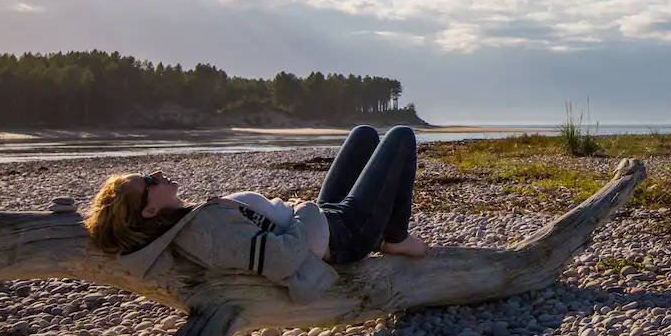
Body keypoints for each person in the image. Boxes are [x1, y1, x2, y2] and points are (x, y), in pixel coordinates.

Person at [85, 125, 428, 304]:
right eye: (149, 180)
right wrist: (305, 211)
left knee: (364, 135)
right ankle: (395, 237)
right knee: (400, 137)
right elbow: (281, 259)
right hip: (344, 235)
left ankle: (392, 232)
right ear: (150, 209)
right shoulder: (202, 234)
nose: (158, 173)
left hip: (324, 221)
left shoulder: (190, 222)